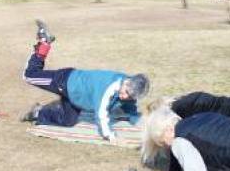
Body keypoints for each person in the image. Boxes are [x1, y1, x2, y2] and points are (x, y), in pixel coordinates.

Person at [21, 20, 150, 143]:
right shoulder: (109, 87)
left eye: (129, 95)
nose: (125, 96)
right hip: (64, 81)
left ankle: (38, 112)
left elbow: (130, 105)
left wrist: (135, 118)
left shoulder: (129, 87)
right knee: (30, 75)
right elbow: (101, 113)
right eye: (126, 92)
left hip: (76, 97)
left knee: (68, 121)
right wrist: (109, 135)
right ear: (126, 82)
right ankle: (44, 43)